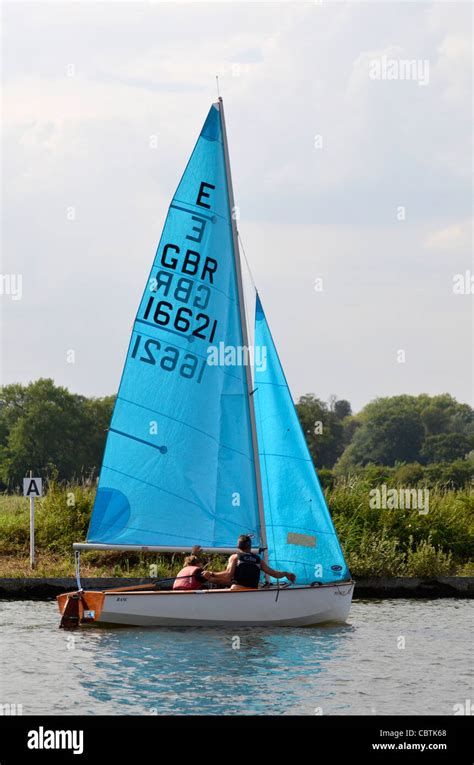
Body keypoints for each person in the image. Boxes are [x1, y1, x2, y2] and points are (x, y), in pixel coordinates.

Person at [197, 535, 296, 590]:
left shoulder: (235, 557)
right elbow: (274, 574)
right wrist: (286, 573)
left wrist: (211, 574)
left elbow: (228, 575)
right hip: (253, 592)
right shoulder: (258, 559)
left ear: (238, 546)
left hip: (237, 590)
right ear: (250, 546)